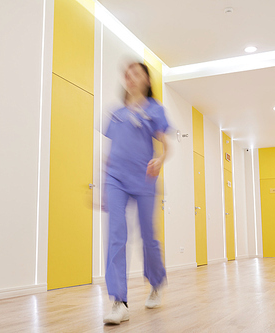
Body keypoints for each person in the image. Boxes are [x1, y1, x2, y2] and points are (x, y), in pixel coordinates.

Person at [103, 62, 169, 325]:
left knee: (148, 237)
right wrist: (102, 183)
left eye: (137, 73)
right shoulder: (116, 113)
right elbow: (113, 150)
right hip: (115, 179)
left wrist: (160, 159)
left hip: (144, 178)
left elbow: (165, 146)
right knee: (116, 235)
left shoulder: (155, 110)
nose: (131, 77)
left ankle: (155, 282)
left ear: (146, 80)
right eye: (127, 74)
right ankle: (119, 301)